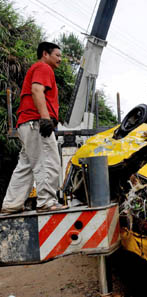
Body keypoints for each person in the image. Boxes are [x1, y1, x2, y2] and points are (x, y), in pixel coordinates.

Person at [0, 41, 68, 214]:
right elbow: (37, 90)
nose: (60, 59)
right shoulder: (44, 68)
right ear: (45, 54)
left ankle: (11, 204)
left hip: (27, 123)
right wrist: (45, 119)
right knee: (49, 161)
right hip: (36, 122)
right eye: (57, 55)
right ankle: (46, 202)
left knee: (26, 166)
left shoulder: (38, 68)